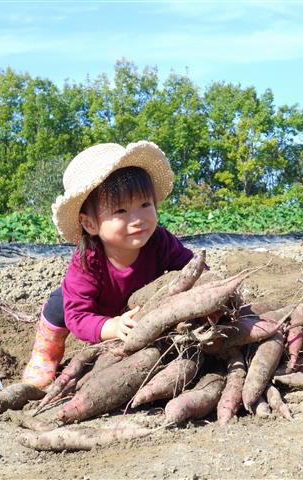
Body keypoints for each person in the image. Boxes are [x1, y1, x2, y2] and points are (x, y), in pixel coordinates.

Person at [22, 141, 194, 388]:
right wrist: (110, 326)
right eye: (121, 211)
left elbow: (190, 268)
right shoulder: (87, 262)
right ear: (90, 224)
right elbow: (79, 316)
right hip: (92, 310)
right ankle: (45, 353)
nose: (137, 219)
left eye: (145, 205)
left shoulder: (160, 241)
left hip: (133, 307)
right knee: (60, 305)